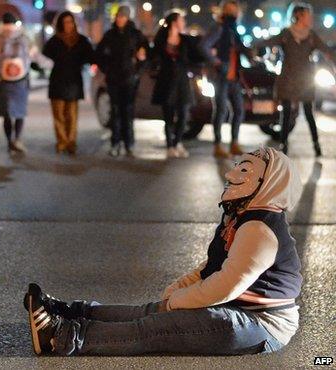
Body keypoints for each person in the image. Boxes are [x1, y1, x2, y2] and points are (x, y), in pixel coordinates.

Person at [23, 147, 303, 356]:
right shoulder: (240, 217)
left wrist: (178, 300)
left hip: (261, 324)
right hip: (236, 309)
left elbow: (225, 286)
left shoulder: (260, 229)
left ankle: (61, 334)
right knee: (151, 312)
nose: (231, 174)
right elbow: (213, 267)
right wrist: (180, 288)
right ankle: (68, 312)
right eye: (238, 166)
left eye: (244, 171)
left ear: (269, 183)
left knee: (157, 327)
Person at [255, 3, 335, 157]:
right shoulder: (286, 34)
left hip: (305, 81)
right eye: (307, 15)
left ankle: (316, 144)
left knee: (308, 113)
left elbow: (327, 51)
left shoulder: (311, 36)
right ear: (298, 16)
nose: (310, 18)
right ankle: (283, 144)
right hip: (288, 79)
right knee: (285, 113)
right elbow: (267, 42)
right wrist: (256, 49)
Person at [0, 12, 38, 154]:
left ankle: (10, 142)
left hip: (3, 81)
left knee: (6, 114)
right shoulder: (24, 38)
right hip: (21, 81)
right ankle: (17, 139)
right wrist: (48, 64)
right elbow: (35, 56)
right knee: (19, 113)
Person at [200, 0, 253, 159]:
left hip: (234, 77)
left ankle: (234, 143)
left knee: (238, 110)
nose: (233, 14)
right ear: (223, 12)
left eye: (235, 11)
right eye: (230, 11)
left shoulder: (234, 31)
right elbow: (203, 46)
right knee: (221, 110)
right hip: (221, 76)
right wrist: (216, 62)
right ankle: (218, 145)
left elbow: (240, 49)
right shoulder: (219, 28)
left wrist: (248, 54)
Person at [95, 5, 148, 157]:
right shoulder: (110, 35)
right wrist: (106, 69)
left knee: (128, 111)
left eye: (122, 16)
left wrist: (138, 70)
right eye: (118, 16)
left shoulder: (136, 35)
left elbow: (146, 54)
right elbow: (99, 54)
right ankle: (115, 143)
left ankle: (129, 143)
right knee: (116, 111)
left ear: (127, 17)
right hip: (113, 79)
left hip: (130, 79)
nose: (119, 19)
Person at [151, 11, 203, 159]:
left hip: (182, 82)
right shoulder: (161, 39)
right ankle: (170, 146)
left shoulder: (185, 40)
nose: (184, 23)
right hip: (166, 81)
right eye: (182, 20)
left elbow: (197, 56)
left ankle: (177, 142)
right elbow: (153, 56)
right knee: (168, 116)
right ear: (174, 22)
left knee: (183, 114)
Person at [42, 11, 94, 155]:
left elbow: (91, 56)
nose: (68, 25)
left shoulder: (81, 41)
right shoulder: (53, 42)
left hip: (74, 82)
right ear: (60, 24)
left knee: (72, 115)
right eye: (65, 22)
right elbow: (43, 59)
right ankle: (62, 141)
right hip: (57, 81)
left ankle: (71, 142)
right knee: (58, 115)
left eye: (70, 22)